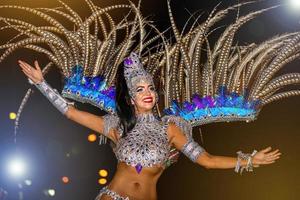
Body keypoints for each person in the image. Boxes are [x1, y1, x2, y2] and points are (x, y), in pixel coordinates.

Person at [18, 52, 281, 200]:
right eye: (140, 89)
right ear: (131, 98)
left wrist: (249, 161)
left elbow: (207, 160)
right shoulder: (117, 126)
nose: (148, 92)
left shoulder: (171, 129)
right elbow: (71, 113)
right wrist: (42, 84)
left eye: (151, 88)